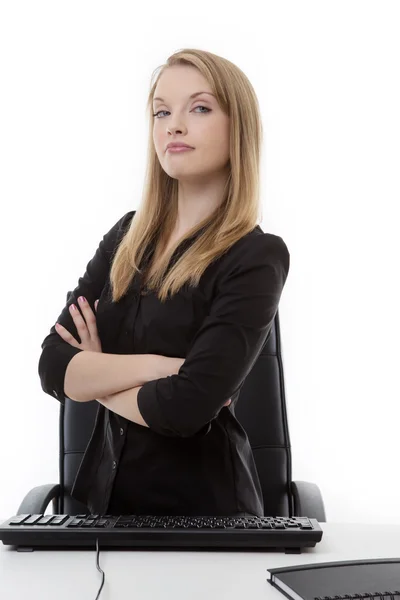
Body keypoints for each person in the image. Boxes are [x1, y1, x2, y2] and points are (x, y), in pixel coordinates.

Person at [38, 48, 290, 517]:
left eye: (199, 107)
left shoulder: (257, 256)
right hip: (100, 511)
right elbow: (53, 366)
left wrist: (96, 371)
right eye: (161, 111)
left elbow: (187, 408)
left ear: (239, 128)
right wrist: (164, 367)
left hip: (208, 519)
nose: (173, 125)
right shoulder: (125, 238)